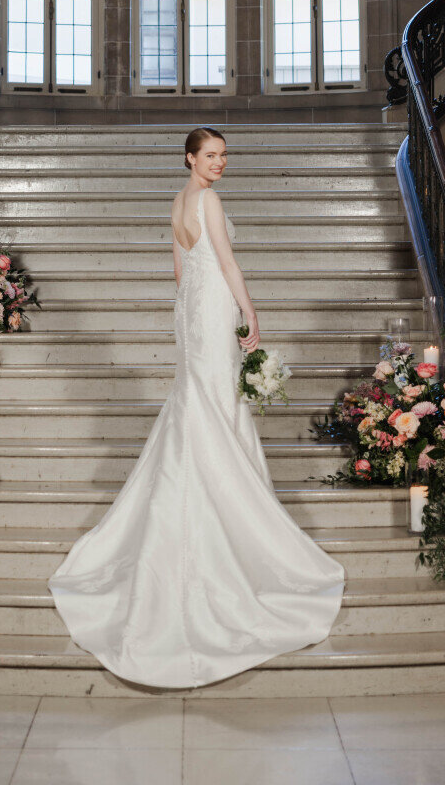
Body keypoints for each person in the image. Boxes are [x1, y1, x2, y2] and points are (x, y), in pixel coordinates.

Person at [48, 125, 345, 687]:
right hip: (211, 311)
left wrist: (192, 318)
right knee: (212, 407)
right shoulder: (207, 198)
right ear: (190, 158)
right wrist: (251, 312)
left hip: (190, 312)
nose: (219, 164)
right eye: (211, 155)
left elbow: (180, 272)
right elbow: (226, 263)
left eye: (224, 156)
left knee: (199, 405)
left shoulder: (178, 202)